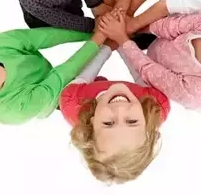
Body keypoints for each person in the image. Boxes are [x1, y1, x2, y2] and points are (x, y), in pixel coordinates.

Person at [58, 22, 170, 184]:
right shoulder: (155, 105)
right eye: (132, 121)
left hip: (91, 90)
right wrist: (121, 39)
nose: (120, 109)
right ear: (146, 122)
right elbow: (141, 72)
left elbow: (85, 73)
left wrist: (107, 45)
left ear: (91, 123)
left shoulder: (73, 102)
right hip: (134, 91)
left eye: (108, 123)